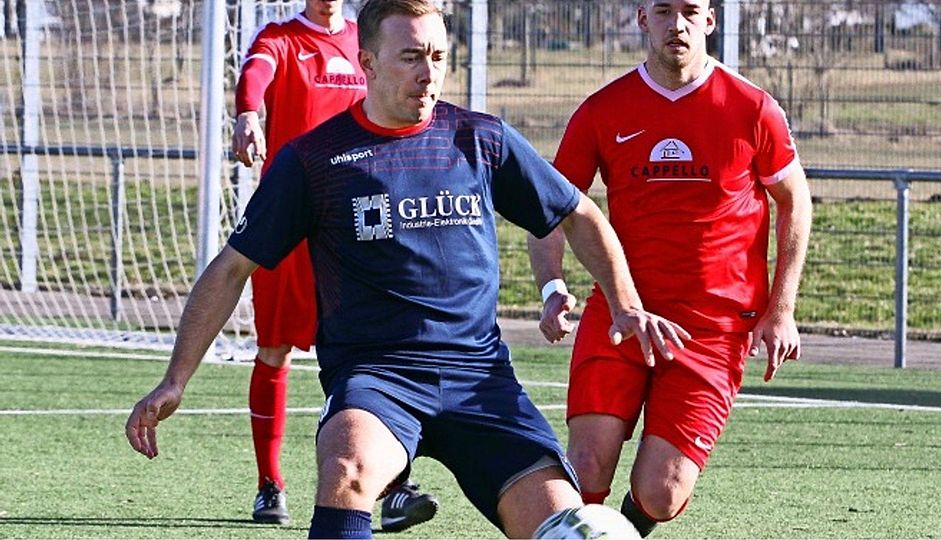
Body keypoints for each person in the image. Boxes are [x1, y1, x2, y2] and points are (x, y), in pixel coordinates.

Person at [126, 0, 671, 537]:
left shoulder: (479, 140)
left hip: (480, 379)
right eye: (410, 56)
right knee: (347, 468)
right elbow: (230, 269)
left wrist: (625, 304)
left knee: (564, 524)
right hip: (376, 377)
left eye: (437, 55)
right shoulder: (315, 160)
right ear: (366, 61)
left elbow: (578, 212)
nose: (428, 73)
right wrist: (175, 380)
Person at [527, 0, 813, 537]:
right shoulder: (602, 110)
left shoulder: (752, 108)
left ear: (709, 20)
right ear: (641, 19)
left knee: (662, 491)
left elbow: (795, 202)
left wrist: (782, 310)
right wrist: (552, 286)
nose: (675, 24)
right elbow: (551, 211)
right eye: (662, 11)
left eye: (689, 11)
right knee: (585, 466)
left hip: (714, 329)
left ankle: (627, 530)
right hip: (622, 315)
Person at [231, 0, 436, 528]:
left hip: (366, 222)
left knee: (377, 346)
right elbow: (257, 72)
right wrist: (249, 113)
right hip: (293, 222)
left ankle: (392, 486)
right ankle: (268, 484)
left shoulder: (369, 43)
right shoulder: (281, 39)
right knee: (275, 348)